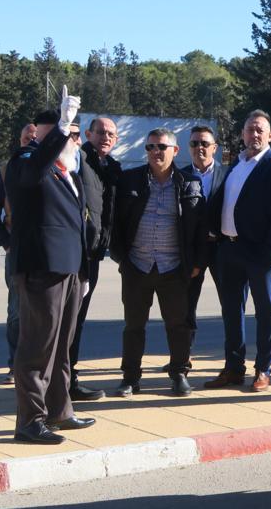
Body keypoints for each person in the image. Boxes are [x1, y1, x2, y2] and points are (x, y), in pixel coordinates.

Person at [6, 92, 97, 444]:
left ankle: (60, 410)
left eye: (72, 134)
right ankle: (30, 421)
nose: (73, 140)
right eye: (67, 134)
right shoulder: (26, 161)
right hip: (41, 267)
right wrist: (58, 130)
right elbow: (32, 175)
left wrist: (83, 271)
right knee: (37, 347)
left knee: (61, 346)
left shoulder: (65, 172)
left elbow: (76, 224)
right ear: (44, 136)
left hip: (69, 269)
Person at [108, 129, 209, 397]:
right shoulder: (130, 179)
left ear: (175, 151)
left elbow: (201, 228)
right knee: (133, 326)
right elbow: (115, 223)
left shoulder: (191, 183)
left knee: (178, 325)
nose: (156, 152)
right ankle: (130, 378)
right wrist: (121, 258)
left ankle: (178, 374)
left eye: (162, 147)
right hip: (137, 267)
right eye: (150, 147)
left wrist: (197, 263)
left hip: (174, 268)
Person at [203, 110, 271, 393]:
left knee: (264, 311)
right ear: (242, 134)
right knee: (231, 312)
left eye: (259, 130)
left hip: (259, 253)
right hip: (228, 249)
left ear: (270, 135)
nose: (254, 134)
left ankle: (263, 369)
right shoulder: (236, 163)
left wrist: (270, 252)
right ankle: (233, 368)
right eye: (249, 129)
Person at [65, 115, 120, 402]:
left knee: (78, 320)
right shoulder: (78, 159)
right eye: (100, 132)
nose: (105, 137)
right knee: (66, 321)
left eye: (111, 134)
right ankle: (61, 381)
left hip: (93, 256)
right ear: (88, 134)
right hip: (73, 255)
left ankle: (67, 378)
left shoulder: (112, 167)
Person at [0, 121, 36, 385]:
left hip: (51, 250)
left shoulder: (58, 168)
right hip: (18, 252)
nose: (32, 141)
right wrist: (6, 242)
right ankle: (16, 366)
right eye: (27, 137)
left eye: (36, 137)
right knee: (17, 311)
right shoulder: (7, 171)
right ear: (20, 141)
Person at [179, 125, 229, 351]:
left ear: (214, 148)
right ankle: (183, 356)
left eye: (205, 143)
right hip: (191, 249)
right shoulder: (180, 176)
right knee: (186, 305)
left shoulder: (228, 174)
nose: (199, 147)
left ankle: (233, 359)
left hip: (220, 247)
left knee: (229, 304)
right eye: (194, 143)